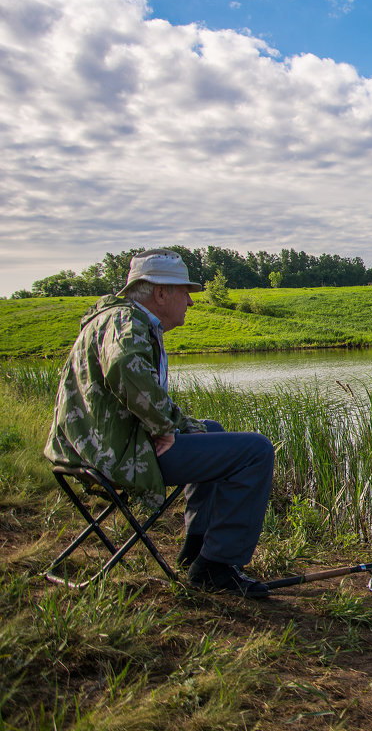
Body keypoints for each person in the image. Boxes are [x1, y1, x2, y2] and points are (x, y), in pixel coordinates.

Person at [45, 249, 275, 598]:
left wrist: (174, 425)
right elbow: (125, 367)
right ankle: (216, 568)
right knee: (256, 451)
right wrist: (162, 427)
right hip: (113, 455)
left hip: (93, 448)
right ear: (160, 293)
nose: (190, 303)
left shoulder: (115, 319)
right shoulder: (128, 323)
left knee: (210, 430)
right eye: (185, 293)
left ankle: (197, 551)